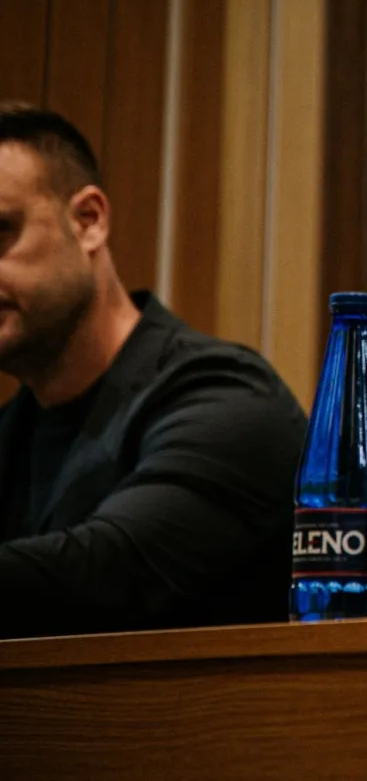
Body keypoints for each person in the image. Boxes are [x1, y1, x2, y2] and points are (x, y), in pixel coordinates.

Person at [0, 105, 307, 637]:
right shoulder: (12, 434)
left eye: (2, 229)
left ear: (88, 221)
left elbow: (108, 575)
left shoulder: (229, 401)